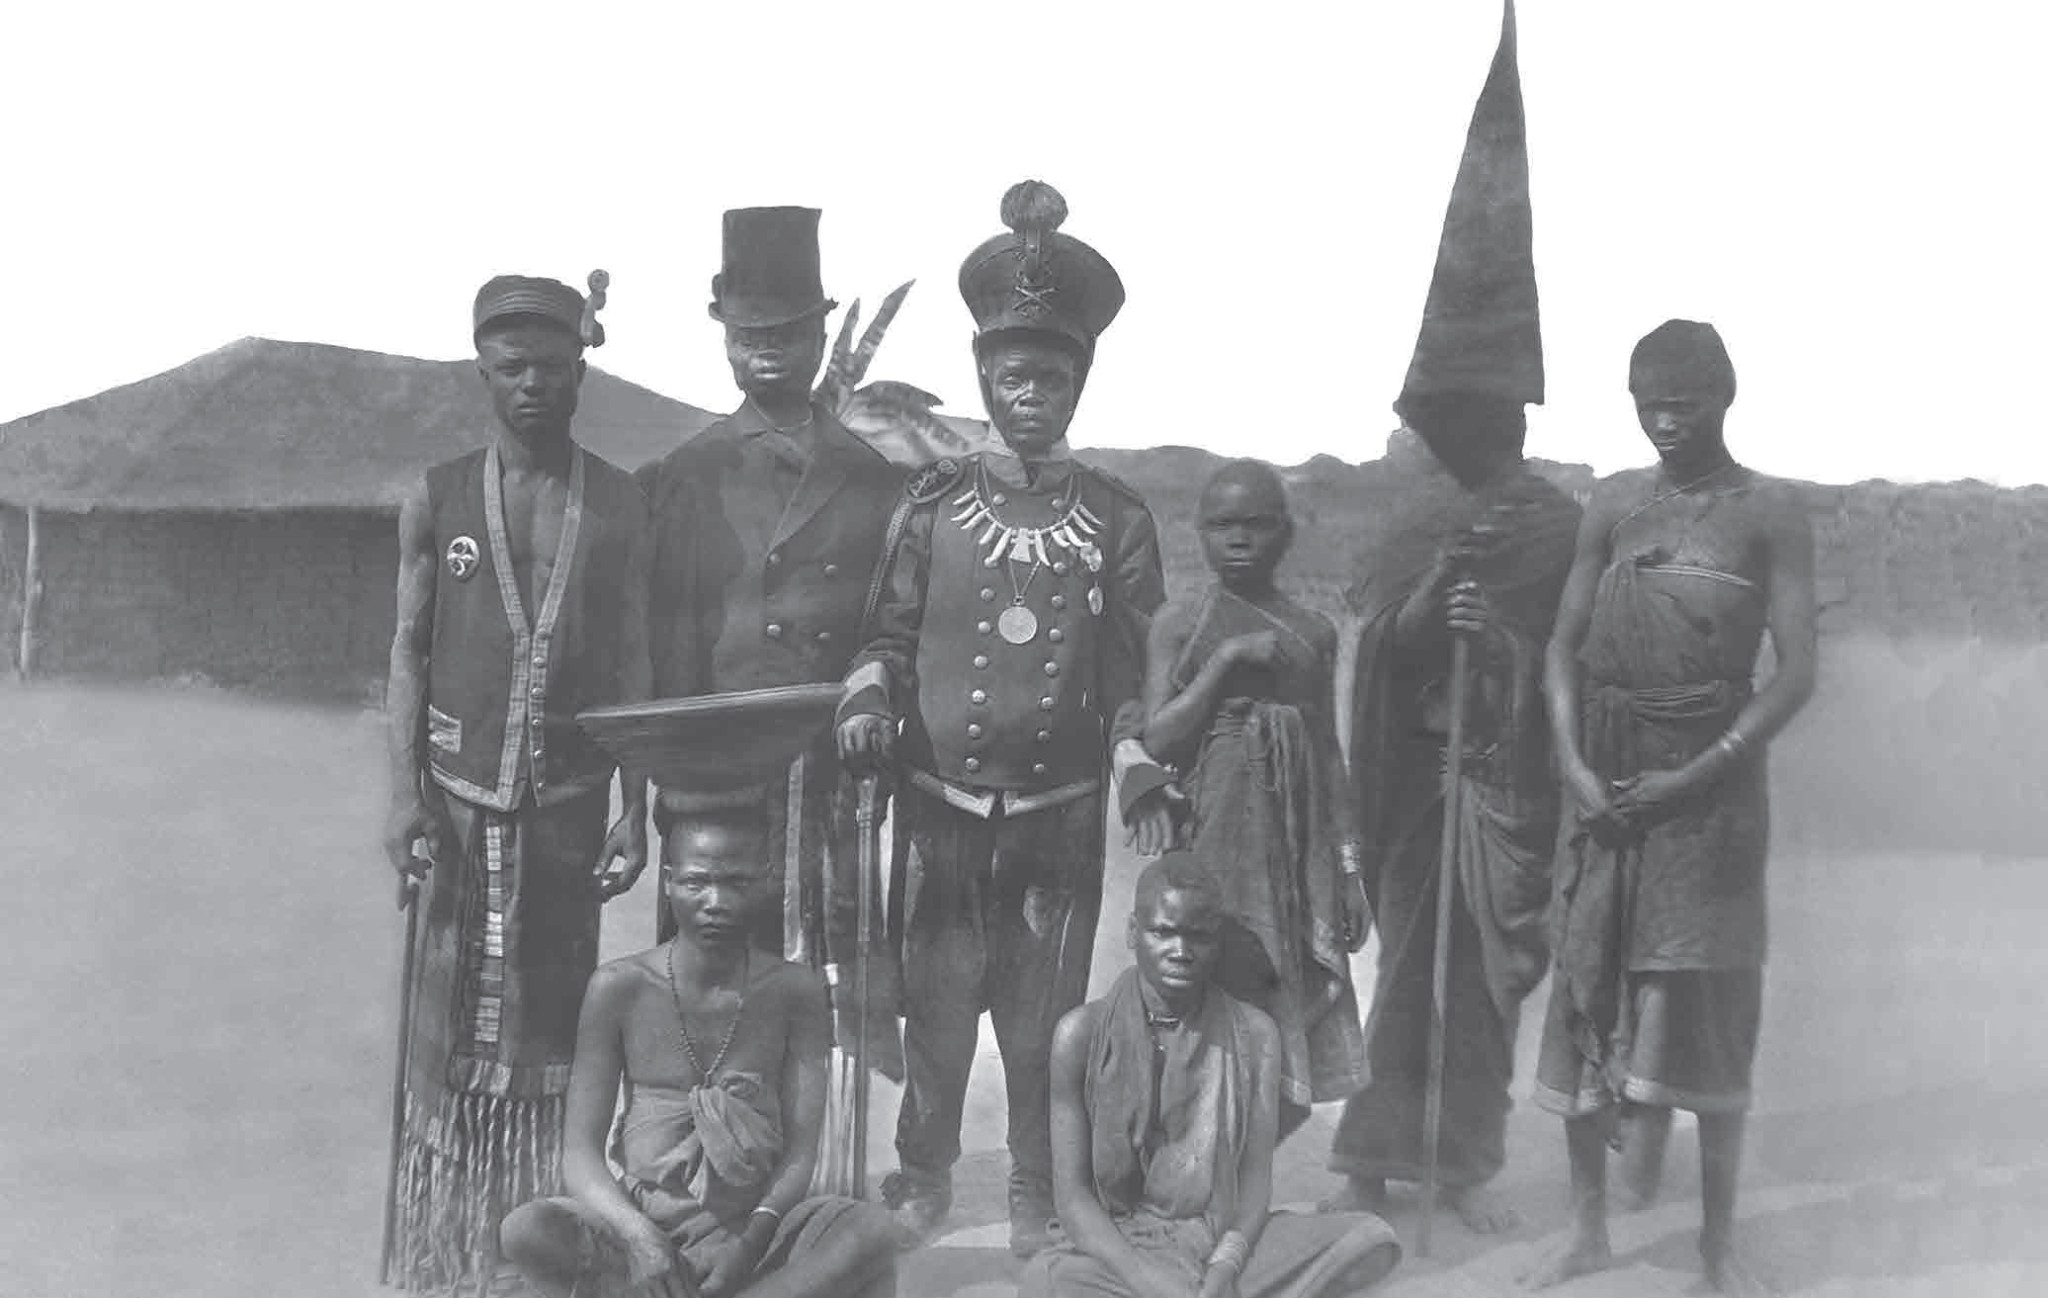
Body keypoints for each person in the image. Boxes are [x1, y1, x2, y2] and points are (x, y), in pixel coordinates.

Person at [836, 179, 1173, 1256]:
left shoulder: (1117, 518)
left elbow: (1135, 668)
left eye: (1053, 377)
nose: (1032, 395)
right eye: (1014, 376)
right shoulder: (930, 504)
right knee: (937, 1009)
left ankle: (1035, 1181)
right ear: (986, 377)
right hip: (938, 807)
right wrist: (868, 695)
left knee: (1042, 1015)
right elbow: (885, 636)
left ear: (1079, 384)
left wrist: (1136, 753)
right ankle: (924, 1171)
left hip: (1055, 815)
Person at [1323, 0, 1581, 1234]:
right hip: (1418, 780)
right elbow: (1378, 647)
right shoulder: (1413, 514)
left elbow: (1570, 654)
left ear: (1513, 414)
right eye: (1446, 418)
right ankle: (1373, 1159)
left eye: (1479, 415)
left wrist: (1510, 642)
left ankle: (1459, 1165)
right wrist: (1436, 600)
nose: (1461, 434)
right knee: (1408, 974)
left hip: (1500, 778)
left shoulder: (1552, 520)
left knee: (1477, 985)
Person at [1521, 320, 1817, 1296]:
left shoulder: (1768, 511)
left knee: (1707, 999)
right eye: (1648, 406)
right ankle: (1587, 1230)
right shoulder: (1612, 503)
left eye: (1682, 404)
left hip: (1710, 797)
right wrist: (1573, 765)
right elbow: (1561, 644)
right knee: (1586, 982)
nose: (1664, 423)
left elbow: (1794, 672)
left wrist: (1697, 774)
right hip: (1604, 781)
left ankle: (1716, 1247)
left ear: (1724, 397)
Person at [382, 272, 652, 1294]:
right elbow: (408, 648)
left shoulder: (619, 501)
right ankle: (442, 1250)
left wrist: (637, 807)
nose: (533, 383)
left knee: (553, 1018)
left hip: (569, 805)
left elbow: (633, 657)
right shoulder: (438, 494)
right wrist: (403, 794)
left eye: (552, 366)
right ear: (483, 372)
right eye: (512, 368)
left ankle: (533, 1244)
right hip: (459, 803)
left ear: (583, 370)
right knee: (447, 1027)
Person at [642, 206, 905, 1080]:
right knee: (709, 982)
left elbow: (888, 620)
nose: (768, 352)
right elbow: (666, 642)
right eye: (750, 334)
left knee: (813, 987)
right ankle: (698, 1136)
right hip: (714, 771)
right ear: (723, 337)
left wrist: (871, 684)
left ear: (822, 335)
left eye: (788, 332)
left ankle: (808, 1146)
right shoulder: (686, 475)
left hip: (821, 775)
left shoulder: (871, 477)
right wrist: (671, 783)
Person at [499, 805, 903, 1298]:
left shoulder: (794, 990)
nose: (715, 901)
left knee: (874, 1231)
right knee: (527, 1230)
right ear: (668, 882)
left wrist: (747, 1247)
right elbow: (580, 1156)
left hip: (758, 1232)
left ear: (765, 883)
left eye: (736, 883)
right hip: (642, 1228)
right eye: (696, 882)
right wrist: (642, 1239)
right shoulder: (618, 987)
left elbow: (801, 1155)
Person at [1023, 854, 1402, 1298]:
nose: (1180, 951)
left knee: (1369, 1239)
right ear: (1132, 932)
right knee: (1046, 1281)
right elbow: (1072, 1200)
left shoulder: (1256, 1035)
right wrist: (1149, 1280)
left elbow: (1254, 1184)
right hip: (1118, 1246)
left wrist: (1226, 1263)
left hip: (1212, 1236)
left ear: (1216, 942)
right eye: (1163, 932)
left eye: (1197, 936)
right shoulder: (1079, 1035)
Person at [1139, 459, 1368, 1137]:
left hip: (1297, 850)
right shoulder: (1179, 623)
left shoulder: (1314, 631)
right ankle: (1195, 1162)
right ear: (1200, 532)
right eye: (1222, 524)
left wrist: (1350, 870)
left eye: (1257, 524)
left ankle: (1246, 1162)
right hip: (1210, 837)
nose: (1238, 538)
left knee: (1284, 998)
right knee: (1209, 986)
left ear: (1286, 533)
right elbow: (1158, 737)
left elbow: (1328, 752)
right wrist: (1226, 661)